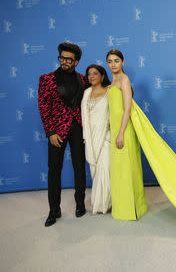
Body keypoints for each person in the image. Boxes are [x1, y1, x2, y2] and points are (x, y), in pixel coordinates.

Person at [38, 43, 88, 226]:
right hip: (56, 131)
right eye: (62, 57)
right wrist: (50, 132)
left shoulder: (84, 79)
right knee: (54, 170)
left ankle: (80, 204)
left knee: (79, 167)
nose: (64, 61)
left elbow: (102, 89)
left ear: (76, 61)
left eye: (69, 59)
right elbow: (44, 107)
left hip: (78, 129)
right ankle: (54, 210)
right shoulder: (47, 79)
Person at [106, 49, 148, 220]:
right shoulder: (113, 80)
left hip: (124, 130)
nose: (113, 64)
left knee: (127, 169)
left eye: (116, 61)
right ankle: (122, 208)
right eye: (110, 61)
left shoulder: (124, 79)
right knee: (119, 171)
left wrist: (121, 132)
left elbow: (127, 108)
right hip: (116, 128)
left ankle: (133, 209)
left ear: (123, 62)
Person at [81, 65, 112, 214]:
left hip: (105, 137)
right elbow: (84, 118)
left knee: (104, 169)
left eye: (95, 73)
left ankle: (106, 204)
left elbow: (116, 112)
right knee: (94, 169)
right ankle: (99, 202)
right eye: (89, 74)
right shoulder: (86, 93)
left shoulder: (110, 91)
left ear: (102, 76)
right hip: (90, 137)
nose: (91, 76)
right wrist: (88, 138)